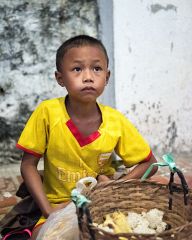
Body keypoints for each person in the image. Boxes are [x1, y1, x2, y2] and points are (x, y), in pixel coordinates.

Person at [16, 35, 158, 239]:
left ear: (107, 77)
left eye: (97, 69)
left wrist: (115, 186)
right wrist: (48, 212)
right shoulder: (47, 113)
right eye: (77, 69)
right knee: (43, 236)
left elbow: (150, 164)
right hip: (59, 204)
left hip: (101, 203)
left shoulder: (115, 121)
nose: (88, 77)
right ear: (60, 78)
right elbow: (28, 165)